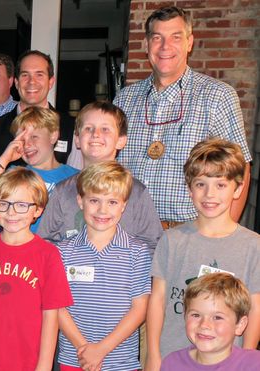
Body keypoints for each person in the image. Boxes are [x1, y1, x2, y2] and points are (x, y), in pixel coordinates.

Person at [114, 5, 252, 226]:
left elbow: (240, 169)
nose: (165, 46)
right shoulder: (124, 100)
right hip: (128, 234)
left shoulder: (217, 96)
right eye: (157, 37)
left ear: (189, 43)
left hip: (187, 234)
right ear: (147, 44)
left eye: (176, 37)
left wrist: (222, 236)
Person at [146, 138, 260, 371]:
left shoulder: (253, 246)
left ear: (237, 188)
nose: (209, 194)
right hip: (172, 359)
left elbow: (255, 307)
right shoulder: (172, 240)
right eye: (201, 184)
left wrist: (247, 357)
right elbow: (157, 300)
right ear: (189, 189)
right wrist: (153, 354)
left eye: (220, 185)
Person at [0, 167, 72, 371]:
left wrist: (44, 365)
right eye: (3, 204)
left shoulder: (48, 254)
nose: (11, 212)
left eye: (21, 205)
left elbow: (51, 315)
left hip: (29, 362)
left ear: (38, 209)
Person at [57, 162, 151, 371]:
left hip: (120, 361)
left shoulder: (137, 252)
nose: (102, 210)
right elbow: (58, 307)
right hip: (75, 358)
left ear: (123, 205)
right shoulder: (62, 252)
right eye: (94, 200)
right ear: (80, 201)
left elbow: (139, 310)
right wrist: (84, 348)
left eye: (112, 202)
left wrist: (100, 350)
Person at [34, 101, 163, 251]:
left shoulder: (136, 191)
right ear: (77, 139)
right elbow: (45, 243)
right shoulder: (63, 191)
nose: (96, 134)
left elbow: (153, 246)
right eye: (88, 128)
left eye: (105, 129)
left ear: (121, 140)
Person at [0, 51, 75, 166]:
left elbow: (77, 180)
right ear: (16, 83)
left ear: (51, 82)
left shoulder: (70, 127)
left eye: (39, 75)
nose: (32, 81)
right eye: (25, 75)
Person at [161, 273, 260, 370]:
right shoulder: (172, 363)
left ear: (240, 325)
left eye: (217, 317)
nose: (204, 325)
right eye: (196, 315)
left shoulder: (254, 364)